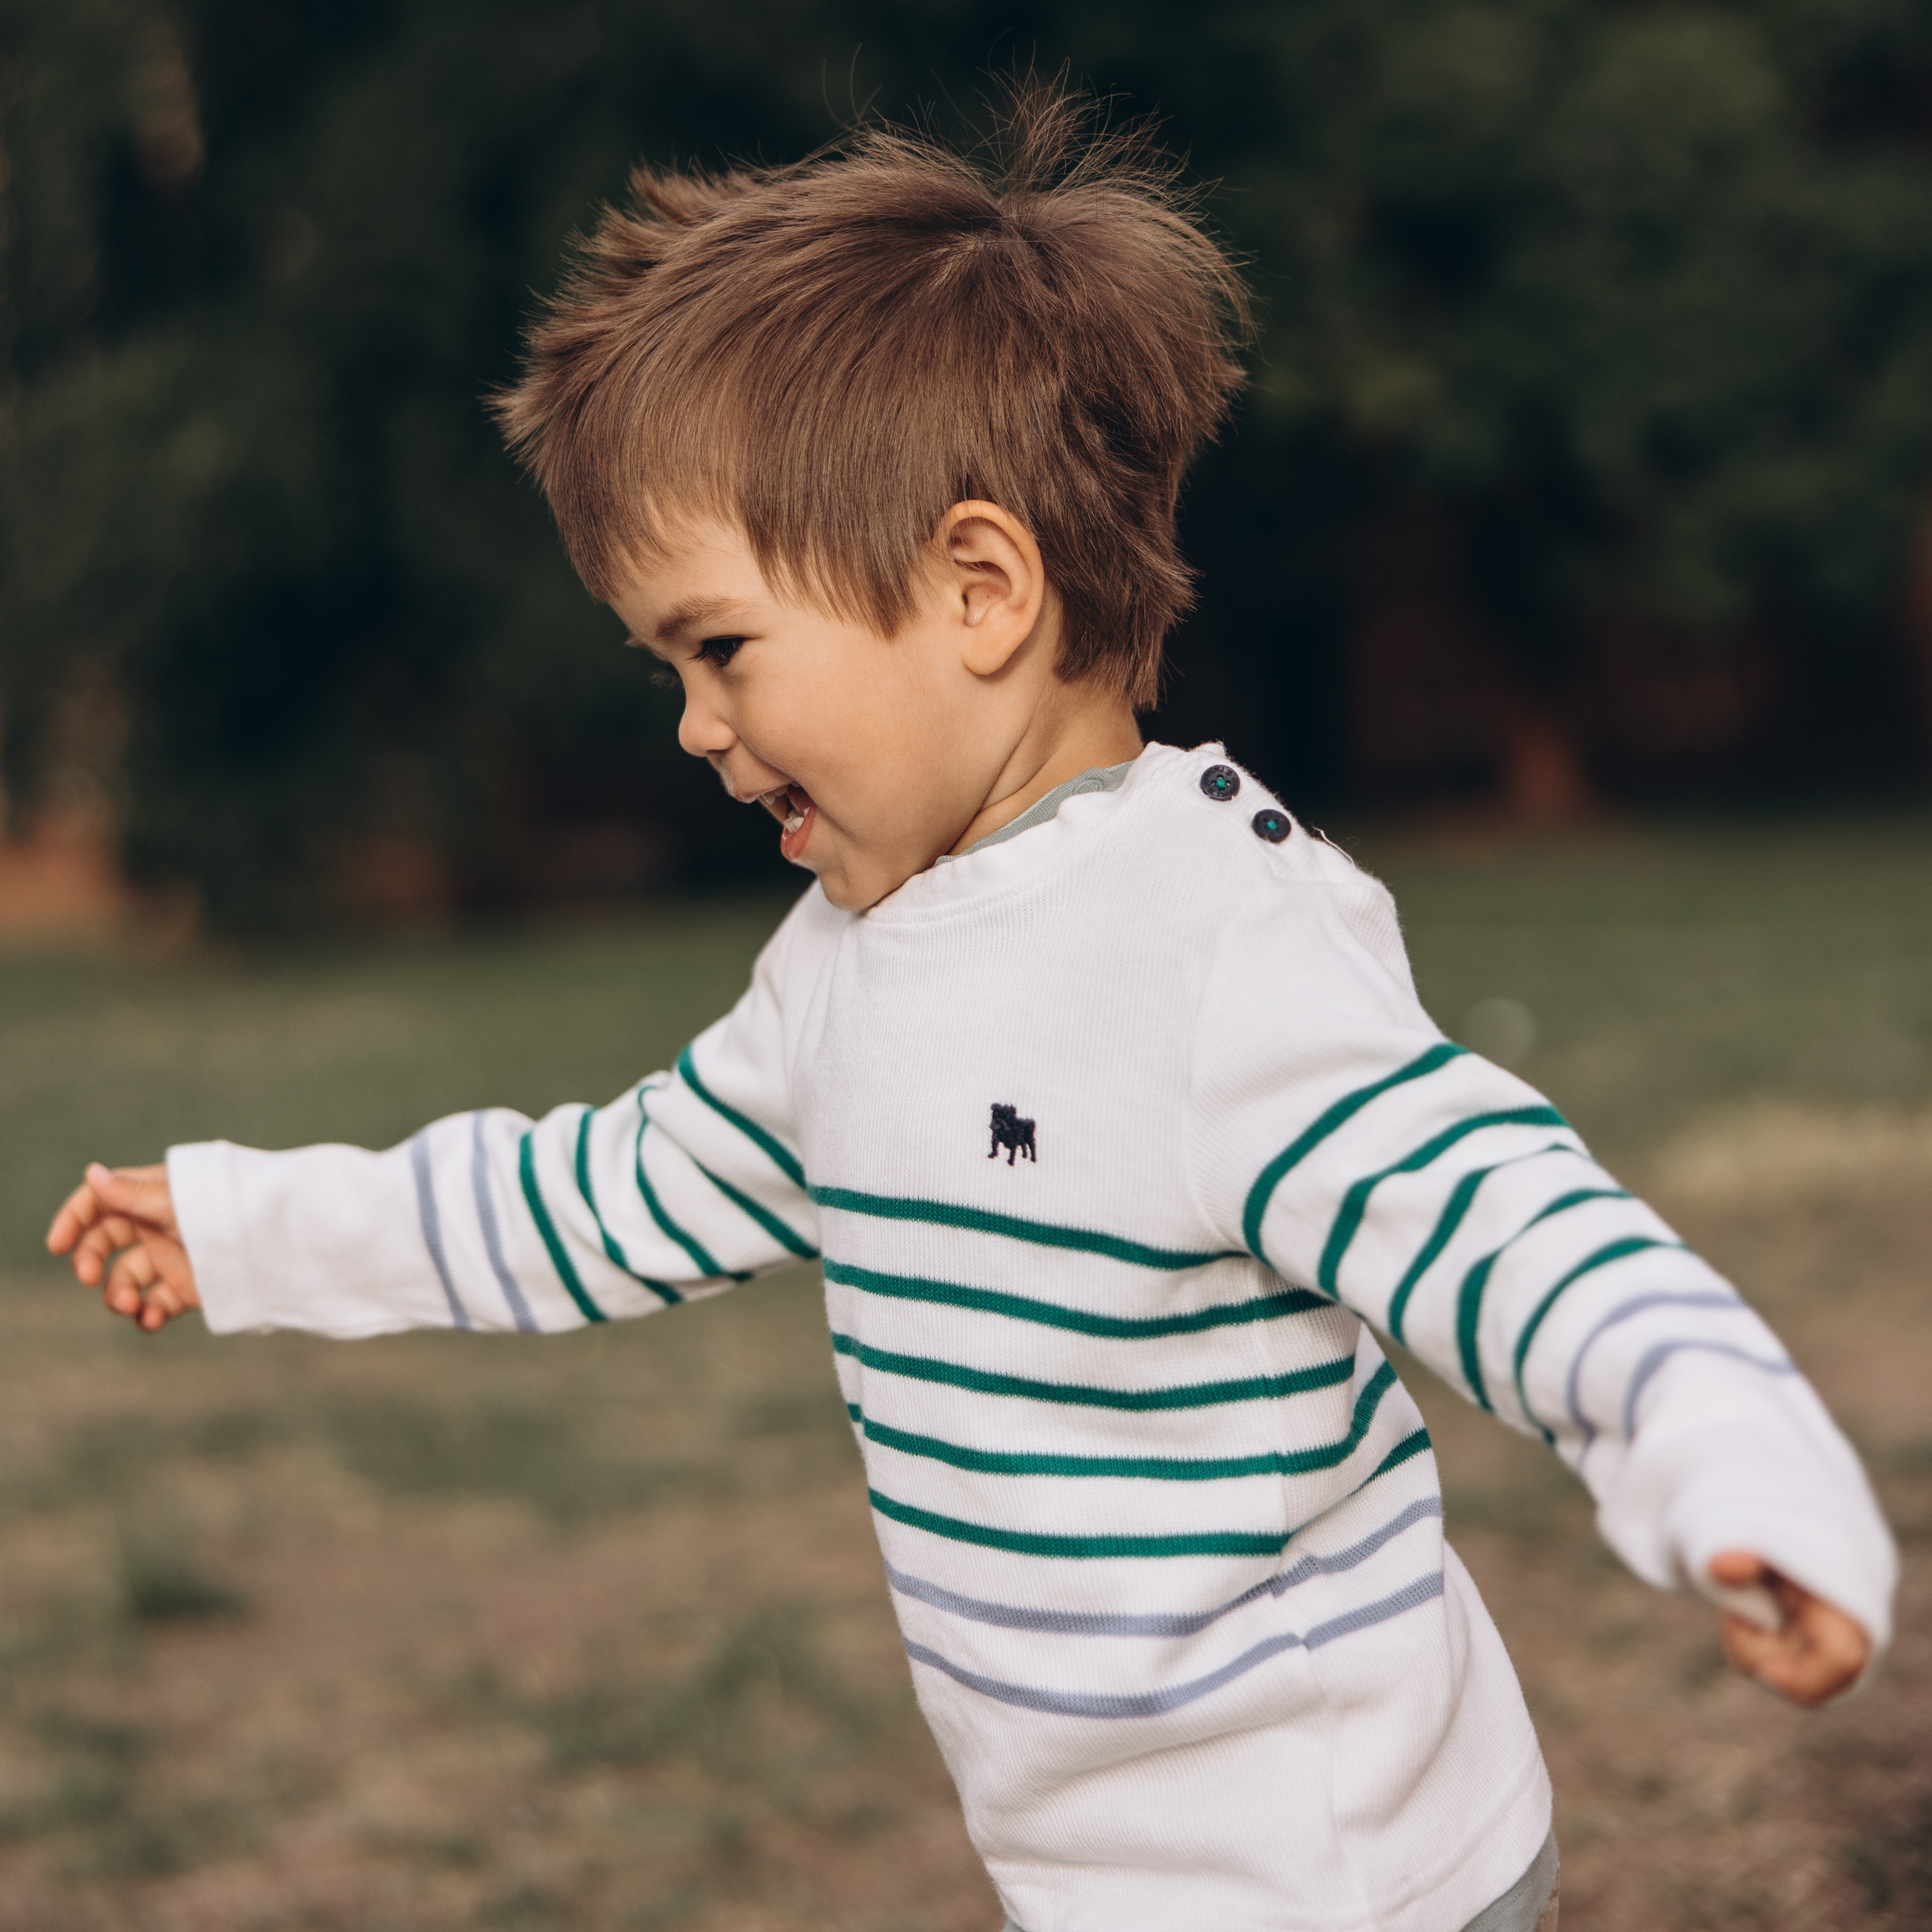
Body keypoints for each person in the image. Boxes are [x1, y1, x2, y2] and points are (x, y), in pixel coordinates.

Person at [47, 83, 1892, 1932]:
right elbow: (592, 1196)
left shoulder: (1211, 946)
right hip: (1087, 1877)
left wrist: (1732, 1469)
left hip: (1342, 1877)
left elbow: (1521, 1236)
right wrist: (242, 1224)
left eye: (720, 647)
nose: (691, 723)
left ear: (977, 585)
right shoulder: (844, 974)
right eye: (668, 666)